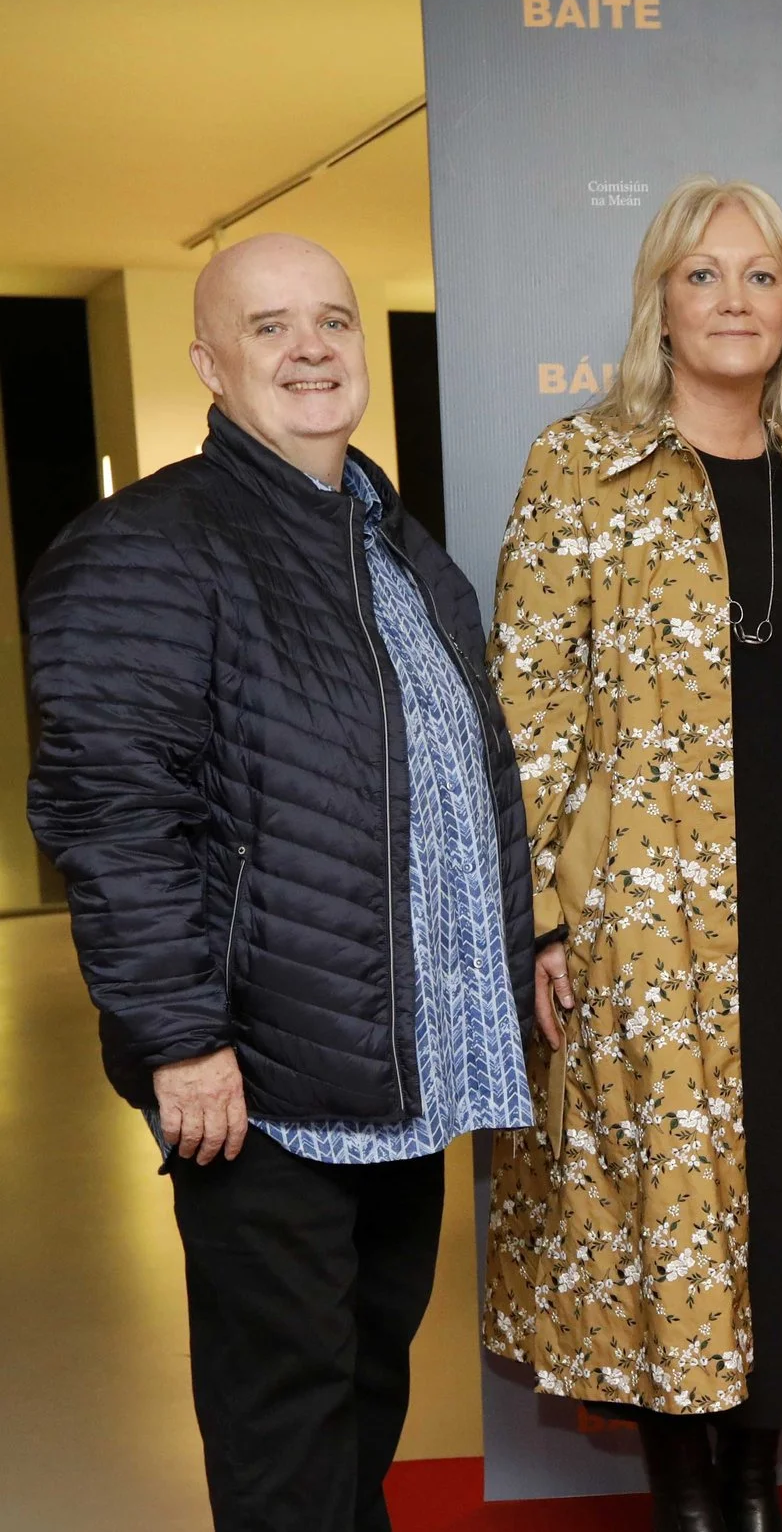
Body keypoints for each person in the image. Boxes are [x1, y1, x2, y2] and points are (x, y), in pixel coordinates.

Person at [23, 233, 538, 1531]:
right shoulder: (144, 548)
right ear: (207, 362)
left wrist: (531, 933)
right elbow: (110, 817)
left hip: (397, 1067)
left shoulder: (399, 546)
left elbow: (473, 767)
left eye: (332, 321)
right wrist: (180, 1036)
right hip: (260, 1079)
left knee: (362, 1388)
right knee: (284, 1418)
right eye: (268, 327)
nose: (310, 348)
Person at [481, 177, 782, 1532]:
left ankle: (758, 1485)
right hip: (640, 918)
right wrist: (540, 916)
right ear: (660, 303)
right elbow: (527, 707)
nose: (736, 300)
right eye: (705, 275)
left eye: (763, 276)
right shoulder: (579, 465)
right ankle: (686, 1499)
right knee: (663, 1203)